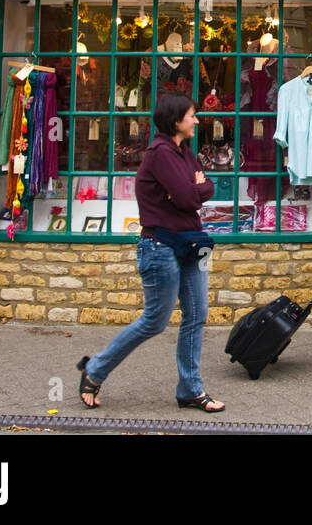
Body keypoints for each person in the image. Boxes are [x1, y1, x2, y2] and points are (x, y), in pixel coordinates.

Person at [76, 92, 225, 412]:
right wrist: (194, 188)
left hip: (192, 243)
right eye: (192, 116)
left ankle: (190, 389)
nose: (197, 120)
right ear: (175, 121)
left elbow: (205, 188)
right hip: (159, 247)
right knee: (154, 321)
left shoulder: (184, 152)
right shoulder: (159, 154)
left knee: (197, 316)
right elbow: (189, 198)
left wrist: (195, 188)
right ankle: (95, 370)